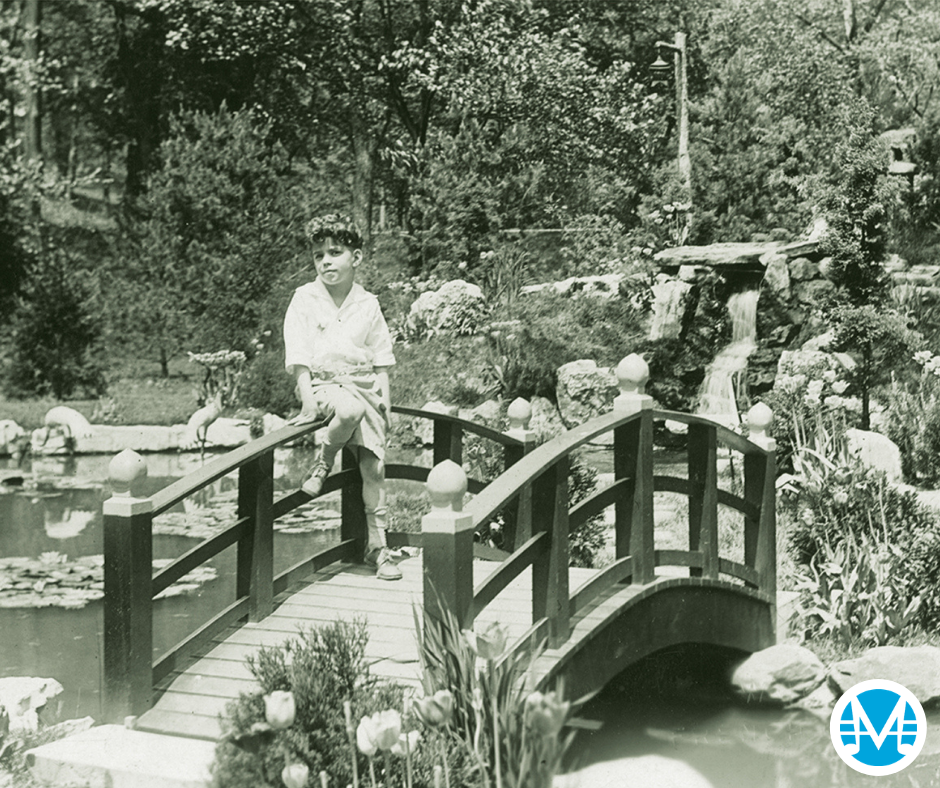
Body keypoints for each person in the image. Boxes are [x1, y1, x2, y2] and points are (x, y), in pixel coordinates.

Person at [283, 213, 401, 581]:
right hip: (324, 384)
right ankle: (323, 460)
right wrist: (308, 401)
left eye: (335, 252)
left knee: (374, 468)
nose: (326, 261)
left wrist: (387, 403)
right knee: (346, 411)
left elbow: (381, 360)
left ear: (357, 257)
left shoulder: (368, 303)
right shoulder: (304, 298)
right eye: (319, 255)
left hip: (365, 385)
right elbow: (299, 355)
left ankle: (378, 548)